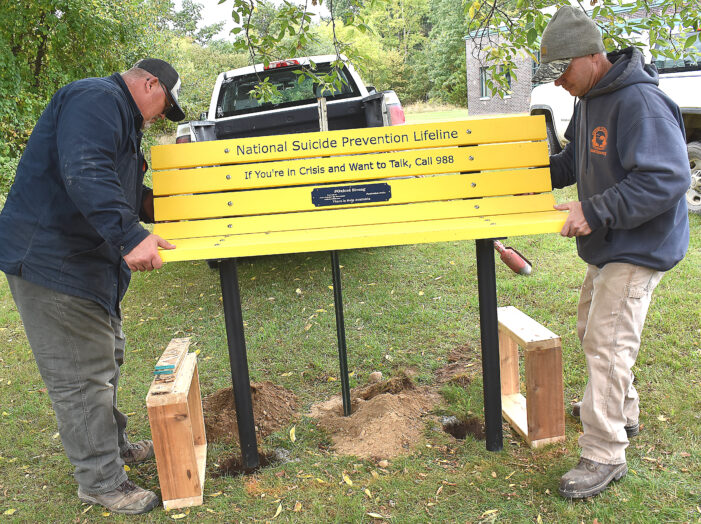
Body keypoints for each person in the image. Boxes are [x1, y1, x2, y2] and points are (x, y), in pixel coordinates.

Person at [0, 59, 184, 514]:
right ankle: (100, 481)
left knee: (105, 359)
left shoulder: (117, 113)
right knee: (81, 378)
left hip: (84, 265)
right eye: (166, 105)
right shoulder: (96, 98)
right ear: (150, 83)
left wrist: (167, 206)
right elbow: (86, 171)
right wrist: (131, 237)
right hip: (52, 262)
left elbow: (120, 187)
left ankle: (113, 447)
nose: (162, 115)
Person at [532, 6, 690, 499]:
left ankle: (604, 453)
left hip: (639, 243)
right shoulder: (589, 98)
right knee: (593, 329)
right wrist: (520, 174)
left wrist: (594, 211)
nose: (558, 82)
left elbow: (667, 179)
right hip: (611, 240)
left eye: (563, 70)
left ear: (592, 56)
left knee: (607, 342)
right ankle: (622, 412)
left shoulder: (639, 103)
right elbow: (571, 161)